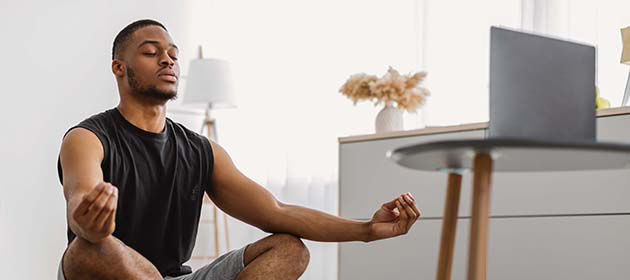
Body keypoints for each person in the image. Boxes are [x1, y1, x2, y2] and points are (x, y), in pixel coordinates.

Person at [56, 19, 421, 280]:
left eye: (172, 53)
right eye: (152, 53)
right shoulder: (88, 137)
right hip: (108, 271)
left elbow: (277, 211)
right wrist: (87, 220)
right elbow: (81, 203)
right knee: (88, 248)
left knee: (289, 248)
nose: (167, 60)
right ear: (120, 68)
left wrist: (367, 229)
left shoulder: (202, 150)